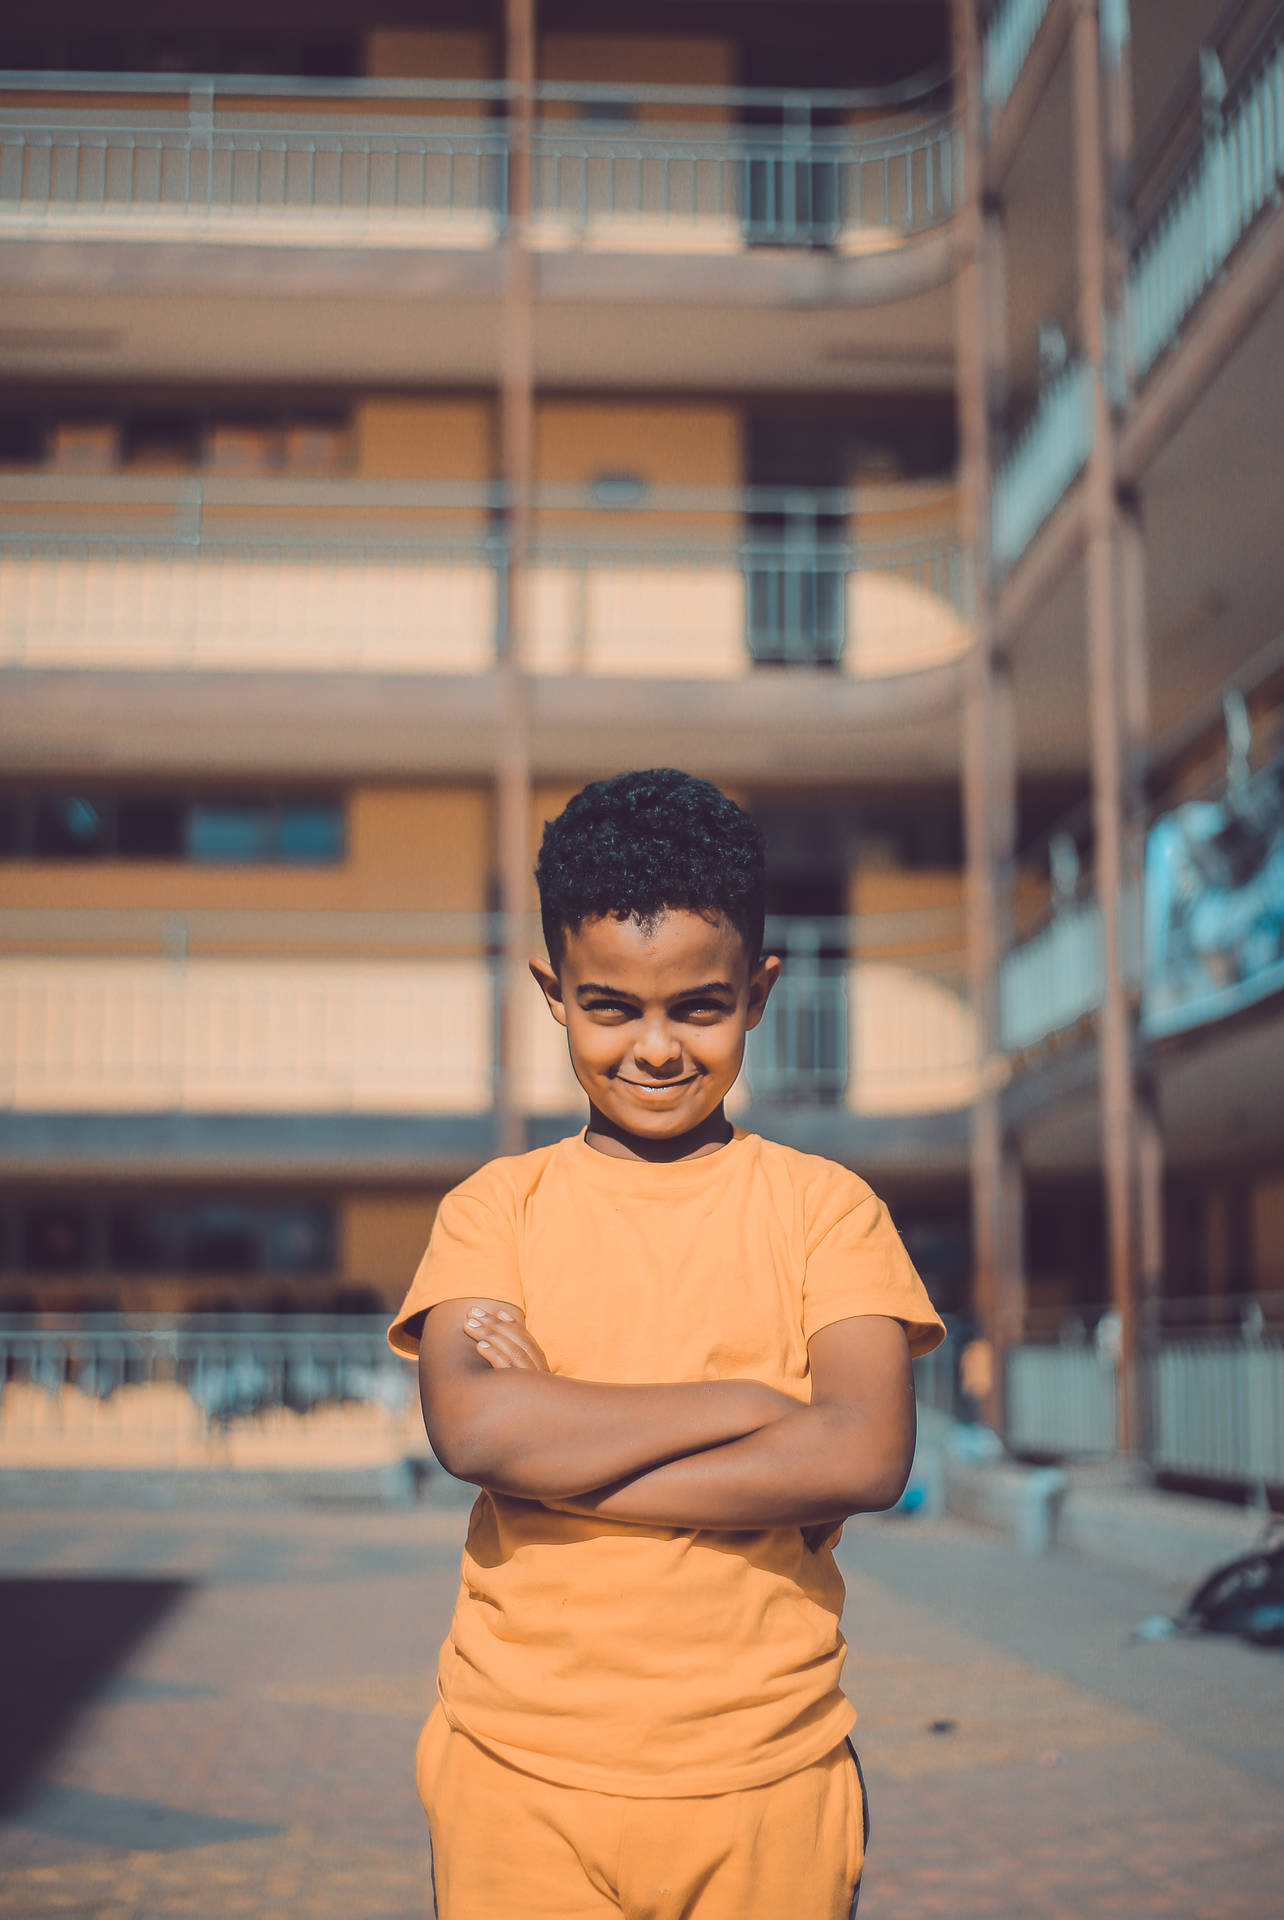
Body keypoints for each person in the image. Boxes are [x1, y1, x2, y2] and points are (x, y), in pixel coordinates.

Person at [388, 767, 945, 1920]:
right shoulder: (495, 1209)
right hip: (514, 1766)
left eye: (697, 1005)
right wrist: (751, 1403)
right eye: (611, 1007)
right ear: (554, 992)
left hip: (767, 1772)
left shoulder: (826, 1209)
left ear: (758, 992)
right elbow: (478, 1429)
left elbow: (863, 1458)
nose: (655, 1047)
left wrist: (569, 1448)